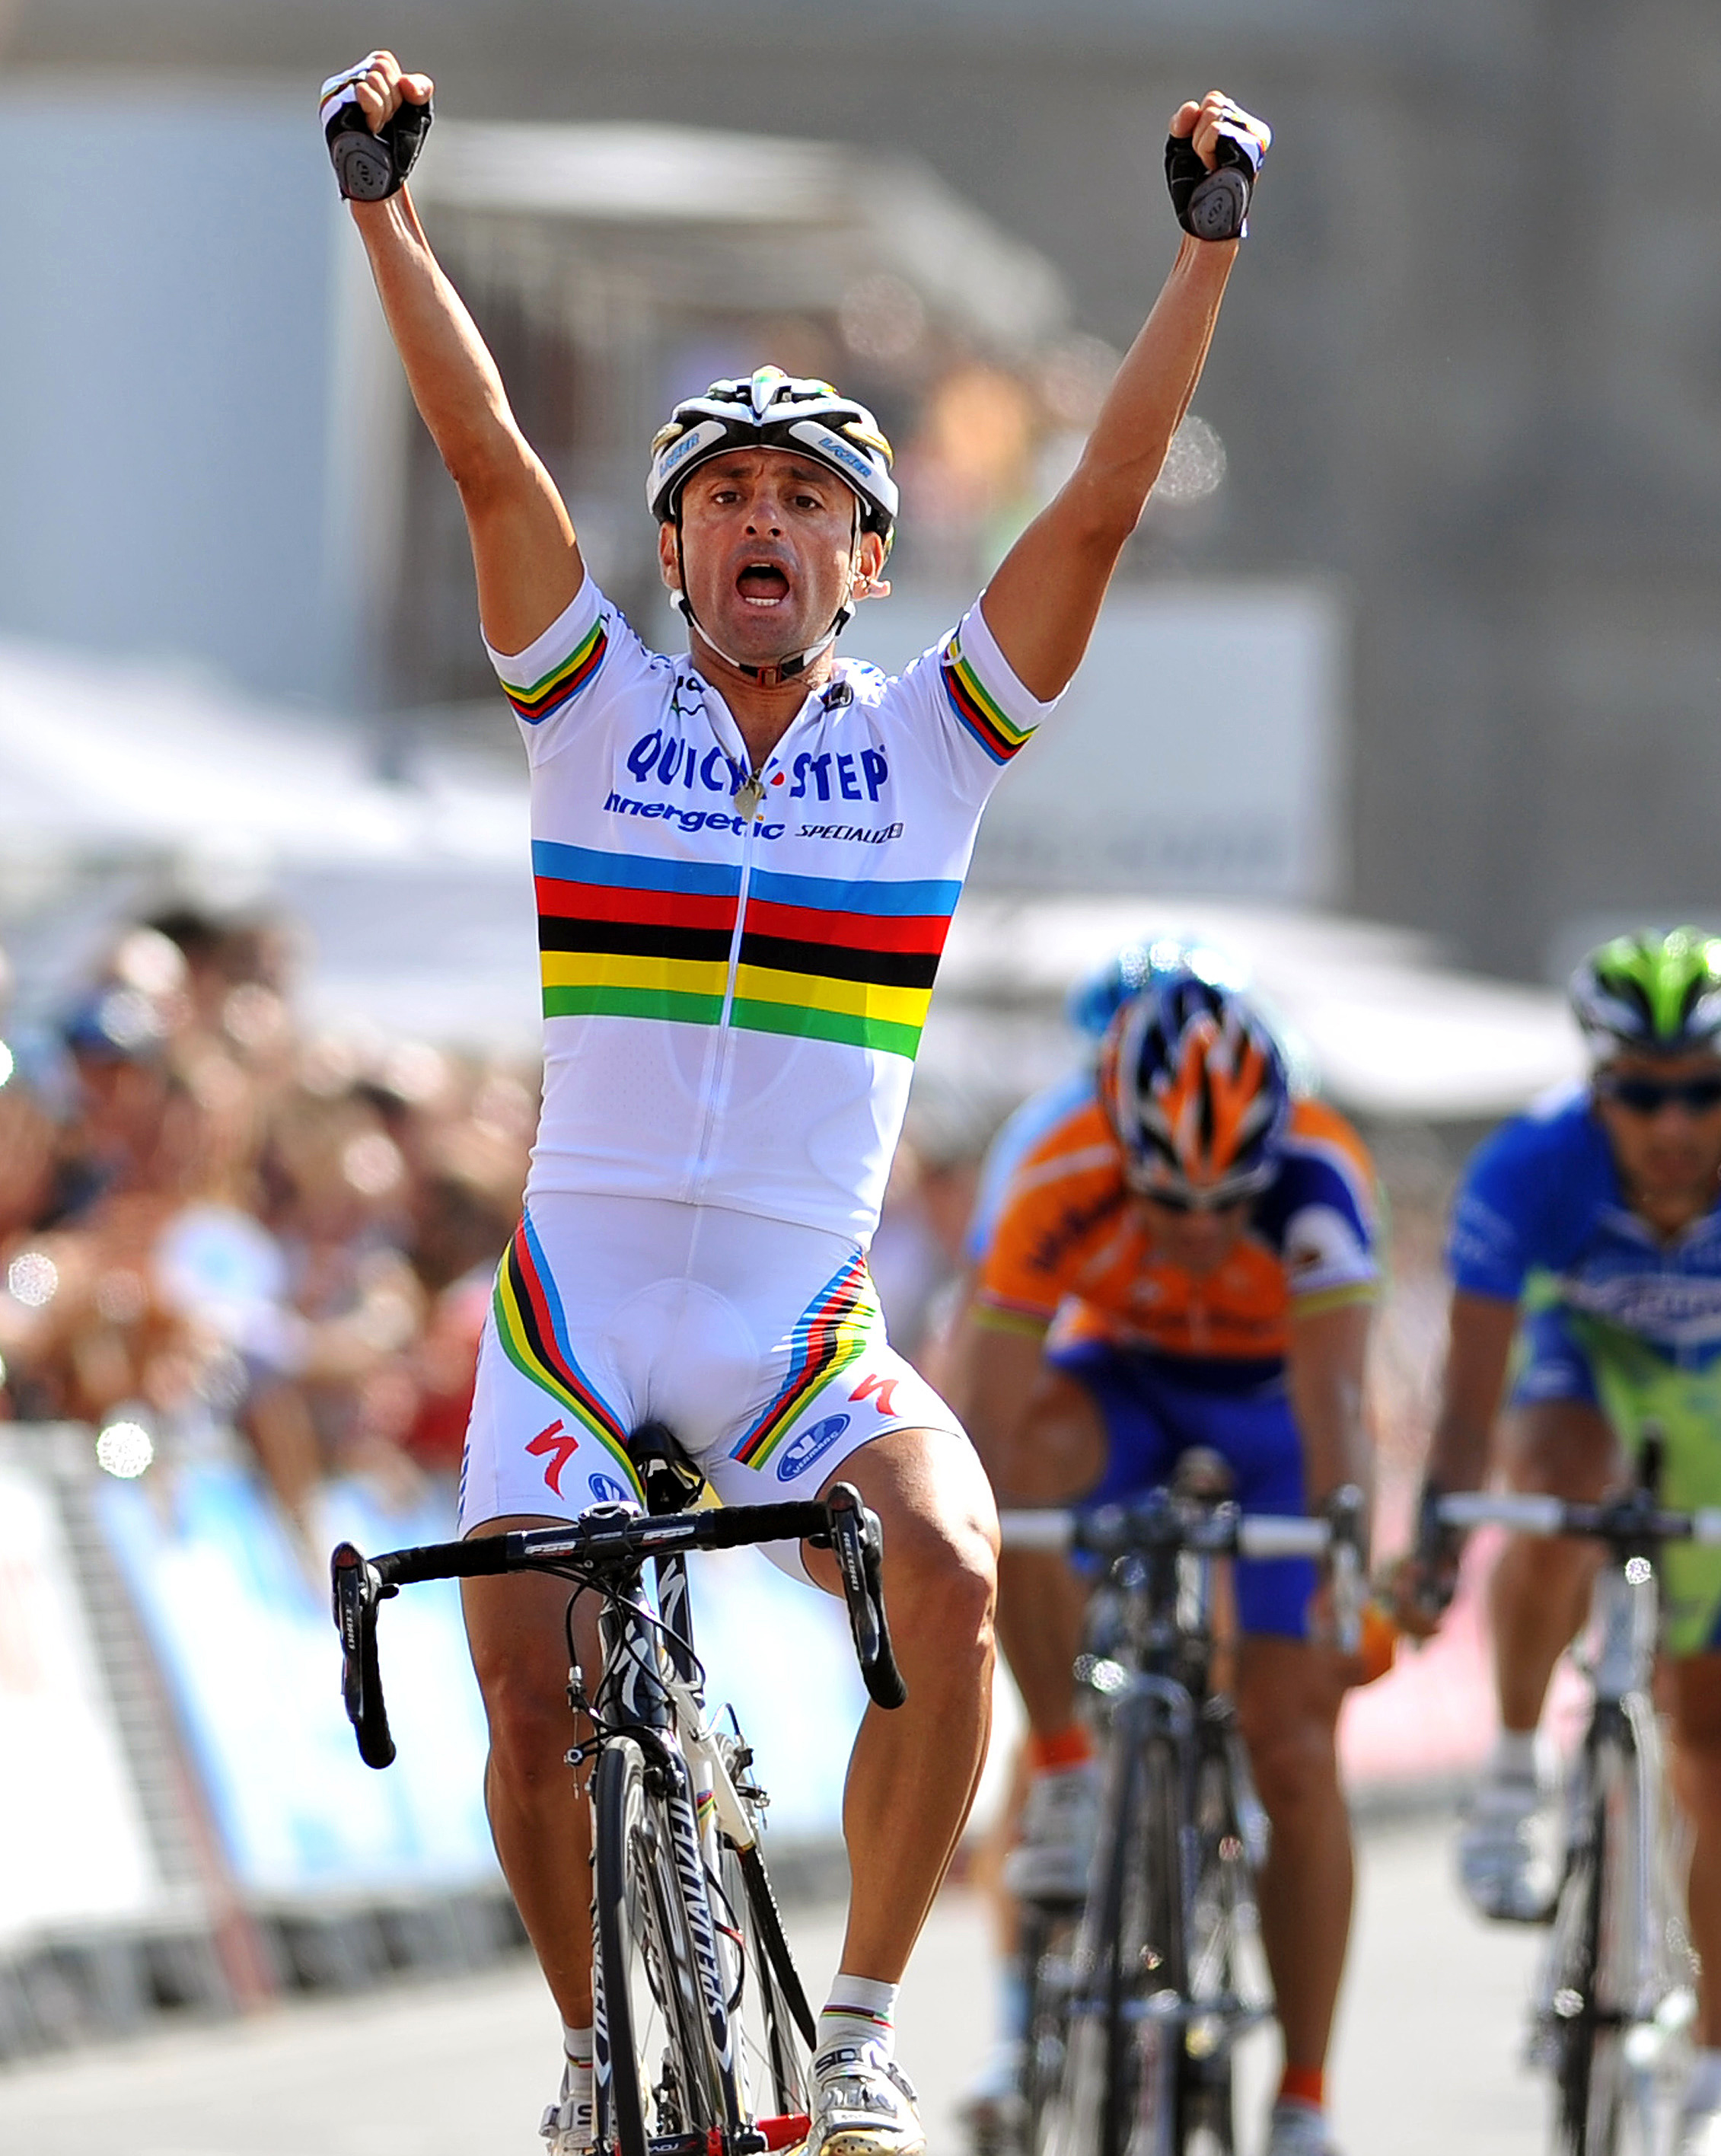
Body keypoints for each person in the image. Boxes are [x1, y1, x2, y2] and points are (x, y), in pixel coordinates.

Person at [326, 49, 1272, 2156]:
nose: (764, 522)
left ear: (862, 562)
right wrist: (386, 212)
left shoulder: (932, 748)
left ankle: (854, 2024)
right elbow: (486, 464)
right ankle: (591, 2048)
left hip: (795, 1332)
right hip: (572, 1320)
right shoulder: (593, 713)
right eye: (726, 500)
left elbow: (1100, 506)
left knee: (944, 1565)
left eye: (808, 504)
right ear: (678, 552)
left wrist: (1202, 261)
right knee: (517, 1698)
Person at [1401, 927, 1721, 2156]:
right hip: (1594, 1373)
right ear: (1596, 1085)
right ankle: (1517, 1772)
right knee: (1558, 1482)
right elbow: (1468, 1404)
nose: (1669, 1124)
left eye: (1698, 1093)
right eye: (1637, 1092)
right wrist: (1433, 1544)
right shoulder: (1530, 1163)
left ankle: (1720, 2081)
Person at [958, 975, 1379, 2156]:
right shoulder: (1056, 1163)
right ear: (1117, 1143)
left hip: (1273, 1412)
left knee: (1296, 1750)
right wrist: (972, 1558)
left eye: (1225, 1201)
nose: (1198, 1227)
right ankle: (1069, 1766)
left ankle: (1304, 2094)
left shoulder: (1324, 1176)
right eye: (1166, 1197)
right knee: (1019, 1472)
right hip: (1125, 1388)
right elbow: (987, 1413)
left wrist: (1347, 1556)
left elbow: (1341, 1402)